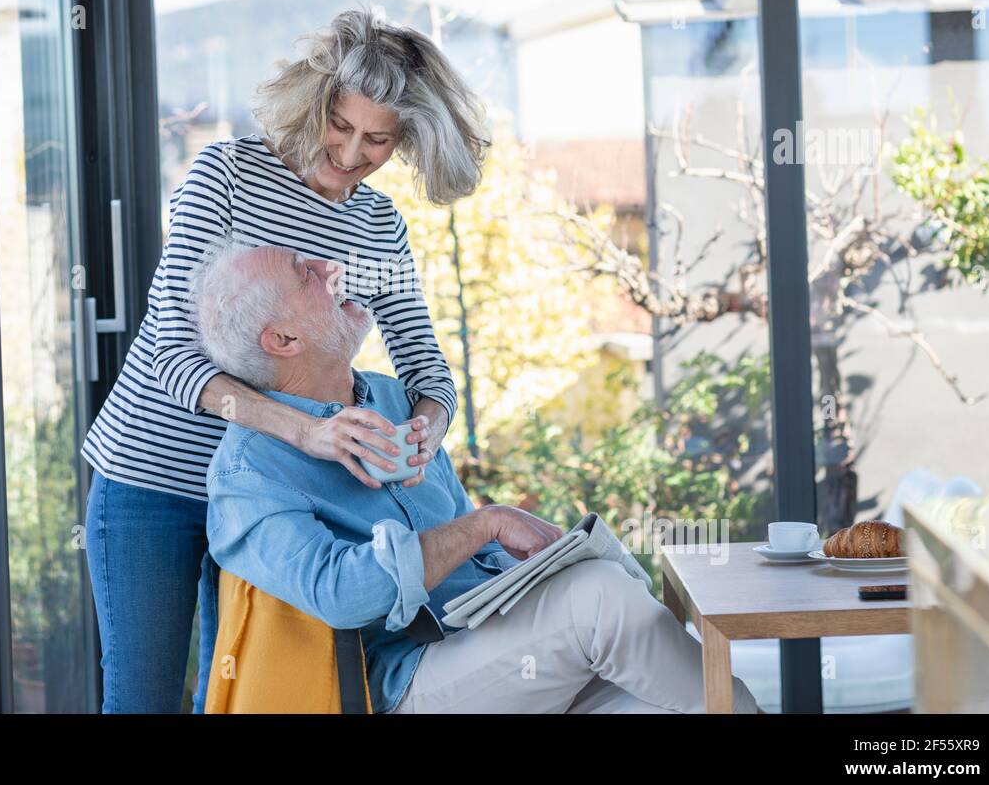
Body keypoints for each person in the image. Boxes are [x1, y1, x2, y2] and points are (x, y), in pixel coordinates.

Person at [80, 6, 491, 712]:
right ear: (317, 102)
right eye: (342, 125)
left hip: (269, 497)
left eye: (378, 140)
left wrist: (426, 428)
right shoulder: (229, 176)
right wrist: (306, 431)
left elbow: (426, 366)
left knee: (241, 695)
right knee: (141, 698)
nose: (351, 152)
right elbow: (172, 355)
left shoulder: (377, 229)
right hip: (155, 479)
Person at [198, 241, 760, 714]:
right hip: (411, 680)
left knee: (655, 691)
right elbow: (340, 594)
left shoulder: (394, 399)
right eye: (306, 274)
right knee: (600, 599)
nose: (332, 269)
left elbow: (462, 548)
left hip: (492, 641)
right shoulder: (249, 473)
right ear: (284, 341)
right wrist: (486, 525)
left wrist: (533, 565)